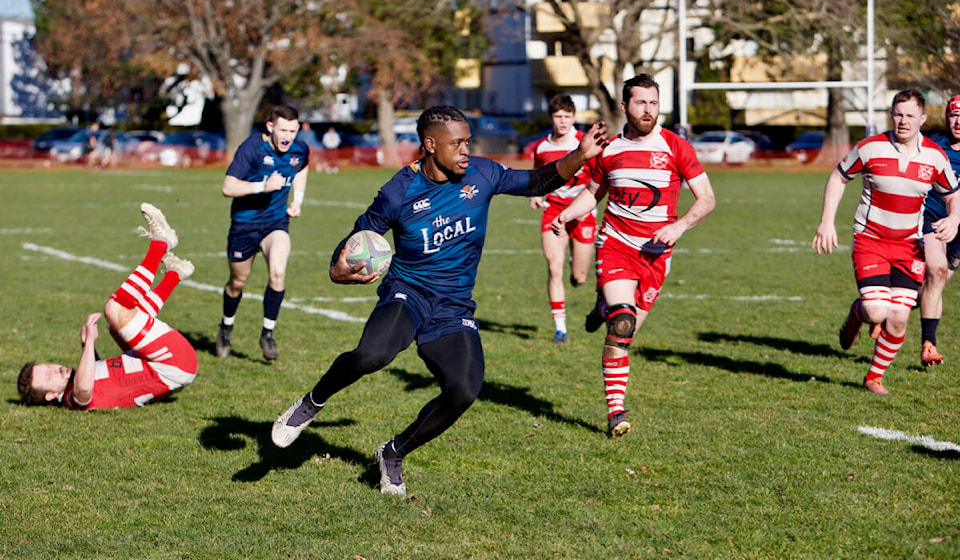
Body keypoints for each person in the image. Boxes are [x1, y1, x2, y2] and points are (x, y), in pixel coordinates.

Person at [271, 105, 609, 496]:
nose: (467, 149)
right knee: (372, 355)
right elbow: (354, 243)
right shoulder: (399, 190)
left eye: (468, 141)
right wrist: (339, 270)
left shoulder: (483, 173)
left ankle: (393, 453)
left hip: (453, 306)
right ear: (430, 145)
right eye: (457, 143)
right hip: (407, 293)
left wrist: (580, 156)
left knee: (464, 389)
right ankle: (311, 403)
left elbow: (537, 181)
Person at [553, 74, 716, 437]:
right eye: (641, 103)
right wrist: (567, 214)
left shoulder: (676, 147)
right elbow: (593, 194)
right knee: (622, 323)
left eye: (654, 103)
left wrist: (678, 227)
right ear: (625, 106)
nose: (648, 110)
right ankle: (615, 411)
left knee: (627, 332)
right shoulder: (608, 150)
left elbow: (707, 199)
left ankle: (602, 305)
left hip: (657, 257)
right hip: (615, 244)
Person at [813, 88, 960, 396]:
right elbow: (839, 177)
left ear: (922, 118)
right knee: (877, 311)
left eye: (909, 115)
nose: (903, 121)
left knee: (898, 319)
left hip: (909, 247)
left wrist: (954, 219)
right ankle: (858, 313)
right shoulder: (870, 148)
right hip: (872, 241)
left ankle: (873, 378)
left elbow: (952, 194)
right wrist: (827, 221)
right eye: (898, 114)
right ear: (891, 116)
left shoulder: (935, 156)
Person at [17, 203, 197, 409]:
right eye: (49, 376)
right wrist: (91, 342)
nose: (56, 369)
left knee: (117, 328)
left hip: (167, 368)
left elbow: (103, 375)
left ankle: (175, 274)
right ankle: (161, 243)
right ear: (50, 396)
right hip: (174, 364)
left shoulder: (75, 385)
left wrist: (86, 347)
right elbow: (84, 392)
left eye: (49, 366)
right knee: (115, 309)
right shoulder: (71, 399)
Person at [216, 104, 310, 361]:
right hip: (244, 225)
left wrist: (298, 200)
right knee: (237, 283)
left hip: (276, 223)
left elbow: (302, 168)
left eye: (293, 130)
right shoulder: (252, 148)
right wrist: (262, 187)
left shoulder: (299, 149)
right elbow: (228, 187)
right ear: (271, 127)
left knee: (278, 272)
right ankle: (226, 326)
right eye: (283, 130)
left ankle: (267, 333)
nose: (288, 136)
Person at [528, 94, 597, 343]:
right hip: (554, 210)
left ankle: (575, 263)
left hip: (583, 212)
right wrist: (536, 194)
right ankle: (560, 329)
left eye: (567, 116)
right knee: (553, 267)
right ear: (551, 118)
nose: (563, 121)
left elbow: (599, 174)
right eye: (558, 117)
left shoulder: (585, 142)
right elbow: (539, 176)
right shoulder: (542, 147)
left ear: (574, 117)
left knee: (579, 277)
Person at [918, 95, 960, 367]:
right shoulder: (933, 145)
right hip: (933, 218)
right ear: (947, 117)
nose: (959, 122)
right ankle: (928, 345)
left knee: (937, 283)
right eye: (955, 115)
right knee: (936, 272)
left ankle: (887, 308)